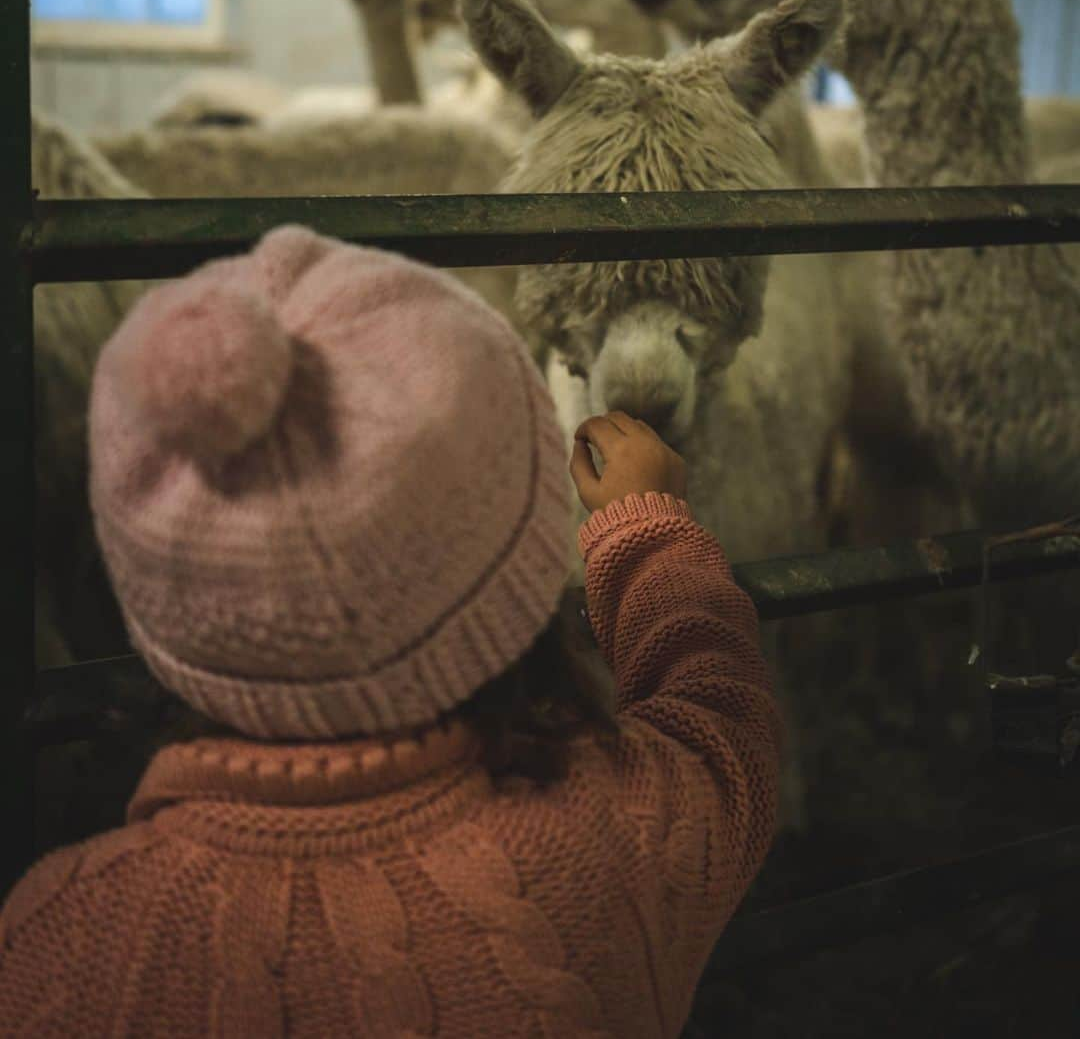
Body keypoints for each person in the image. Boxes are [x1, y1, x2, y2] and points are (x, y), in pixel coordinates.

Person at [0, 224, 781, 1037]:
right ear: (510, 561)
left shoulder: (55, 944)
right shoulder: (624, 842)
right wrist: (644, 531)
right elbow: (723, 723)